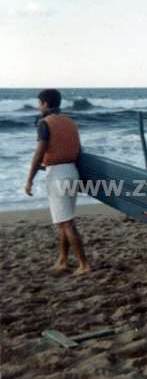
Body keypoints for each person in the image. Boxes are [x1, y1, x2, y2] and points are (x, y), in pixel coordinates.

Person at [24, 89, 91, 275]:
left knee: (67, 222)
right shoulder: (70, 121)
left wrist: (29, 180)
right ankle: (62, 260)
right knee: (64, 219)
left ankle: (84, 265)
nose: (38, 107)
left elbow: (39, 152)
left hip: (58, 175)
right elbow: (79, 149)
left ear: (45, 104)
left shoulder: (44, 123)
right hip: (72, 171)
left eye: (39, 103)